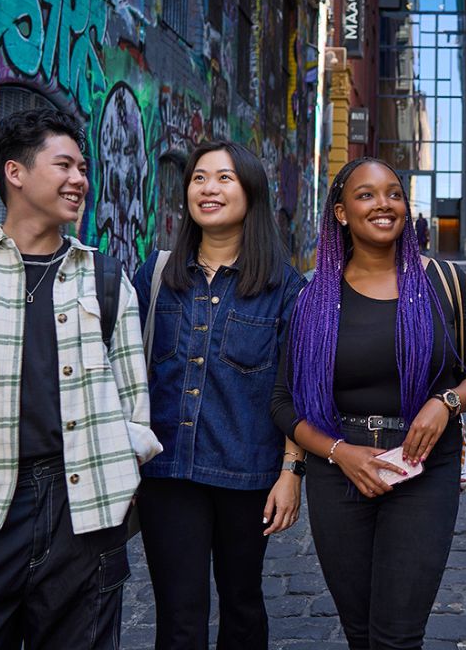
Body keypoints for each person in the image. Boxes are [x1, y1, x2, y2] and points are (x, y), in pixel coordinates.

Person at [0, 108, 162, 648]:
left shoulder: (107, 281)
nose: (79, 179)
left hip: (83, 516)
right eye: (64, 165)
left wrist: (116, 502)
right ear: (15, 173)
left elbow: (136, 410)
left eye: (83, 168)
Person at [271, 157, 466, 649]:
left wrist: (446, 403)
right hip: (338, 472)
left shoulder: (445, 282)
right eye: (366, 195)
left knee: (397, 636)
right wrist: (338, 453)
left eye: (394, 194)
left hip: (423, 466)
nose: (384, 204)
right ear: (340, 212)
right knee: (360, 632)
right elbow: (284, 403)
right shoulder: (312, 295)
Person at [131, 140, 307, 650]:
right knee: (178, 616)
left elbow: (292, 390)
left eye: (224, 178)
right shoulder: (158, 276)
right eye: (199, 177)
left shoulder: (285, 289)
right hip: (168, 474)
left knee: (243, 606)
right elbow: (130, 374)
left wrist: (290, 474)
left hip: (247, 475)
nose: (208, 188)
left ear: (250, 192)